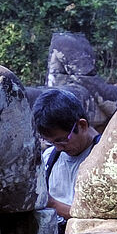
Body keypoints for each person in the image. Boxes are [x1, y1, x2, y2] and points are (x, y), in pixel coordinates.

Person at [34, 89, 100, 224]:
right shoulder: (49, 157)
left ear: (82, 125)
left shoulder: (106, 158)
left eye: (62, 140)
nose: (58, 148)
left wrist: (52, 204)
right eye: (51, 142)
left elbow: (100, 218)